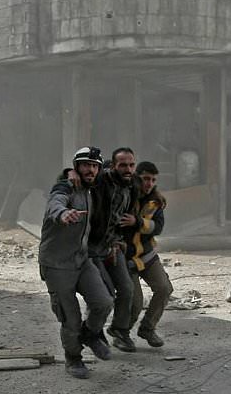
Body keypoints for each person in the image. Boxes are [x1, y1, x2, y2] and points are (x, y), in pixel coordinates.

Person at [39, 146, 113, 379]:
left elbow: (118, 175)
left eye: (94, 166)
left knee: (103, 302)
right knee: (69, 317)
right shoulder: (67, 186)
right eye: (85, 165)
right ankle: (73, 358)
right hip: (57, 265)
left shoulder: (91, 190)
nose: (90, 170)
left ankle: (90, 334)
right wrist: (63, 214)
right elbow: (55, 202)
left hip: (81, 260)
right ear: (76, 167)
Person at [67, 147, 139, 352]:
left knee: (126, 289)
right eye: (122, 165)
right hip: (93, 248)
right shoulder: (101, 181)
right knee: (103, 293)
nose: (127, 169)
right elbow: (81, 173)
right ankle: (93, 332)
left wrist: (123, 235)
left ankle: (119, 331)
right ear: (113, 166)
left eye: (131, 165)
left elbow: (126, 216)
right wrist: (67, 172)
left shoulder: (132, 185)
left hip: (112, 246)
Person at [124, 161, 173, 347]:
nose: (149, 183)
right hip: (126, 258)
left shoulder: (156, 201)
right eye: (145, 179)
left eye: (153, 180)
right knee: (135, 302)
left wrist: (137, 222)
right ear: (136, 177)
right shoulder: (124, 196)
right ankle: (122, 332)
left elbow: (158, 227)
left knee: (164, 288)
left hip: (147, 255)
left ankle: (147, 329)